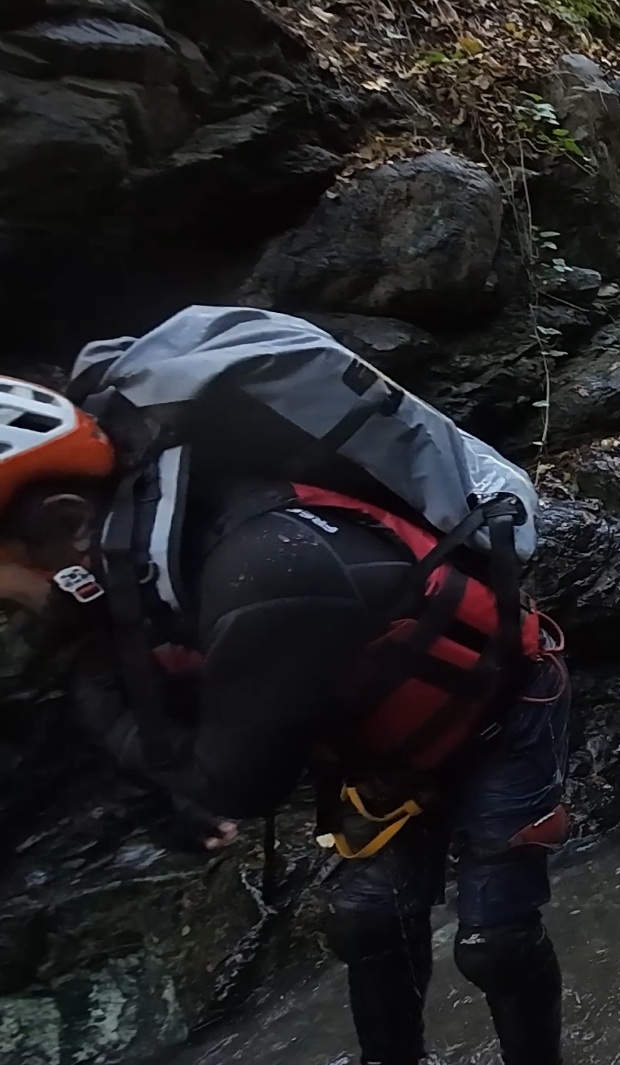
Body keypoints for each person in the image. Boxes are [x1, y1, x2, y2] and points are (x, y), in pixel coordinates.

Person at [0, 363, 570, 1064]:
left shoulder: (266, 563)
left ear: (65, 522)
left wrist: (91, 685)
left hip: (499, 711)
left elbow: (238, 783)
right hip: (379, 740)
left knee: (495, 940)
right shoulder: (141, 564)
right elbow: (165, 725)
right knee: (366, 920)